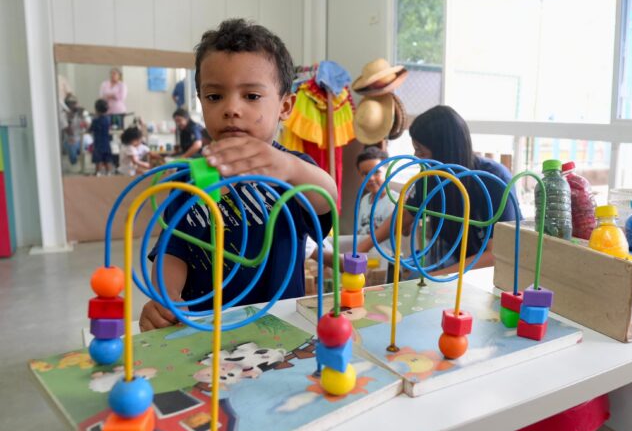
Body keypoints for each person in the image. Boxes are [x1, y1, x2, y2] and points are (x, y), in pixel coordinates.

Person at [139, 18, 337, 331]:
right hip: (204, 328)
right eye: (215, 96)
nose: (232, 109)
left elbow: (327, 199)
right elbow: (173, 249)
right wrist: (167, 297)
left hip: (278, 325)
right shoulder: (189, 179)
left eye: (251, 96)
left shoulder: (293, 171)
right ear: (201, 101)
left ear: (285, 106)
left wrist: (289, 168)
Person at [356, 105, 518, 274]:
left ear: (444, 150)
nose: (416, 156)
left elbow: (496, 256)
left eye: (420, 150)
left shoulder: (494, 181)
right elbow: (405, 214)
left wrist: (435, 277)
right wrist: (361, 248)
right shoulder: (430, 174)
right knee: (414, 276)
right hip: (455, 255)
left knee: (418, 281)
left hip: (491, 270)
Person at [89, 99, 113, 176]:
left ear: (96, 109)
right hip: (106, 143)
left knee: (98, 160)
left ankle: (98, 172)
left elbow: (91, 129)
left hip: (98, 143)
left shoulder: (95, 120)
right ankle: (108, 172)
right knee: (107, 159)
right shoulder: (108, 119)